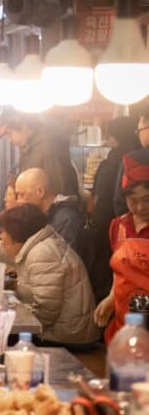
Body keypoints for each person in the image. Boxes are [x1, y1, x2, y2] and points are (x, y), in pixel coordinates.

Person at [0, 204, 98, 346]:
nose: (1, 236)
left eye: (4, 231)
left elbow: (45, 313)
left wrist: (8, 315)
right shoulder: (40, 246)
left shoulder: (42, 254)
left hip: (67, 336)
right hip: (63, 329)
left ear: (17, 233)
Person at [95, 149, 149, 342]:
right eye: (133, 201)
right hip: (123, 318)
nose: (141, 207)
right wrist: (111, 298)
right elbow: (119, 271)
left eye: (147, 199)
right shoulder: (118, 226)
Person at [90, 116, 140, 299]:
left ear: (114, 138)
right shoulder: (138, 156)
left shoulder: (112, 163)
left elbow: (102, 208)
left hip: (113, 234)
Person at [0, 113, 79, 197]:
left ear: (25, 126)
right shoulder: (28, 147)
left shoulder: (48, 148)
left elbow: (59, 192)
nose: (10, 140)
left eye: (10, 133)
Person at [14, 168, 85, 254]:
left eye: (22, 195)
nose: (18, 201)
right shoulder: (43, 215)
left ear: (40, 192)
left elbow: (58, 262)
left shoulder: (65, 219)